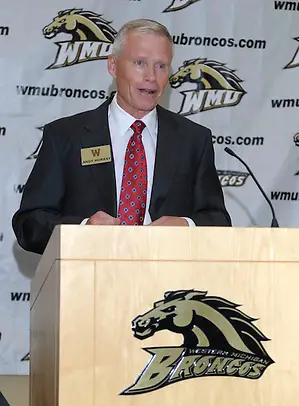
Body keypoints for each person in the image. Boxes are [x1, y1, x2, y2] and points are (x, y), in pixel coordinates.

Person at [12, 19, 231, 255]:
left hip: (168, 283)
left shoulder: (193, 140)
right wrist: (83, 230)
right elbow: (30, 223)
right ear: (113, 66)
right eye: (140, 63)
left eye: (161, 66)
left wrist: (187, 226)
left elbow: (217, 219)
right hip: (86, 282)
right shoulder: (66, 136)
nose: (151, 77)